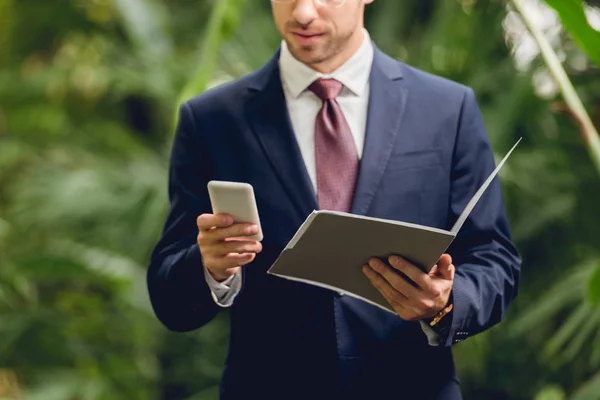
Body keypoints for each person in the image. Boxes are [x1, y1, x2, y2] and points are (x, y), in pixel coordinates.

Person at [146, 0, 522, 399]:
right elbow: (169, 291)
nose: (303, 13)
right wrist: (209, 267)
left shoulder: (448, 108)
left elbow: (494, 259)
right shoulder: (211, 121)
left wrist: (444, 303)